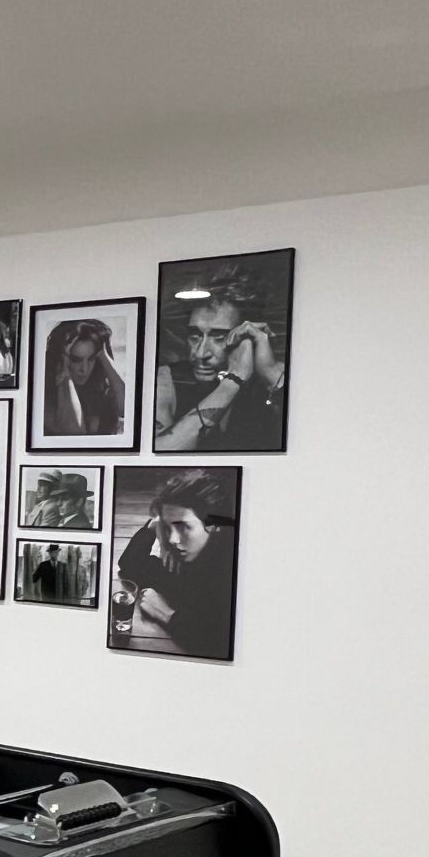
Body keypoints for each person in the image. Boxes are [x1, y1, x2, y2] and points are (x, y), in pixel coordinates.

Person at [153, 266, 286, 451]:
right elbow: (160, 452)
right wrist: (233, 380)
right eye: (194, 336)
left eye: (219, 337)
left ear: (247, 336)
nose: (201, 354)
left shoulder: (274, 377)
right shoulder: (166, 380)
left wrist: (270, 371)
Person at [114, 469, 238, 656]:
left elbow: (217, 641)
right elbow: (129, 565)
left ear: (213, 525)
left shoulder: (228, 564)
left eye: (184, 527)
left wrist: (165, 613)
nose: (173, 539)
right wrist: (154, 527)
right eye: (167, 526)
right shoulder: (183, 554)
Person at [40, 318, 126, 437]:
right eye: (76, 360)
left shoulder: (100, 390)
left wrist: (103, 355)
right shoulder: (44, 396)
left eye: (91, 359)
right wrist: (64, 372)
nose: (84, 369)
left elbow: (128, 409)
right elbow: (74, 432)